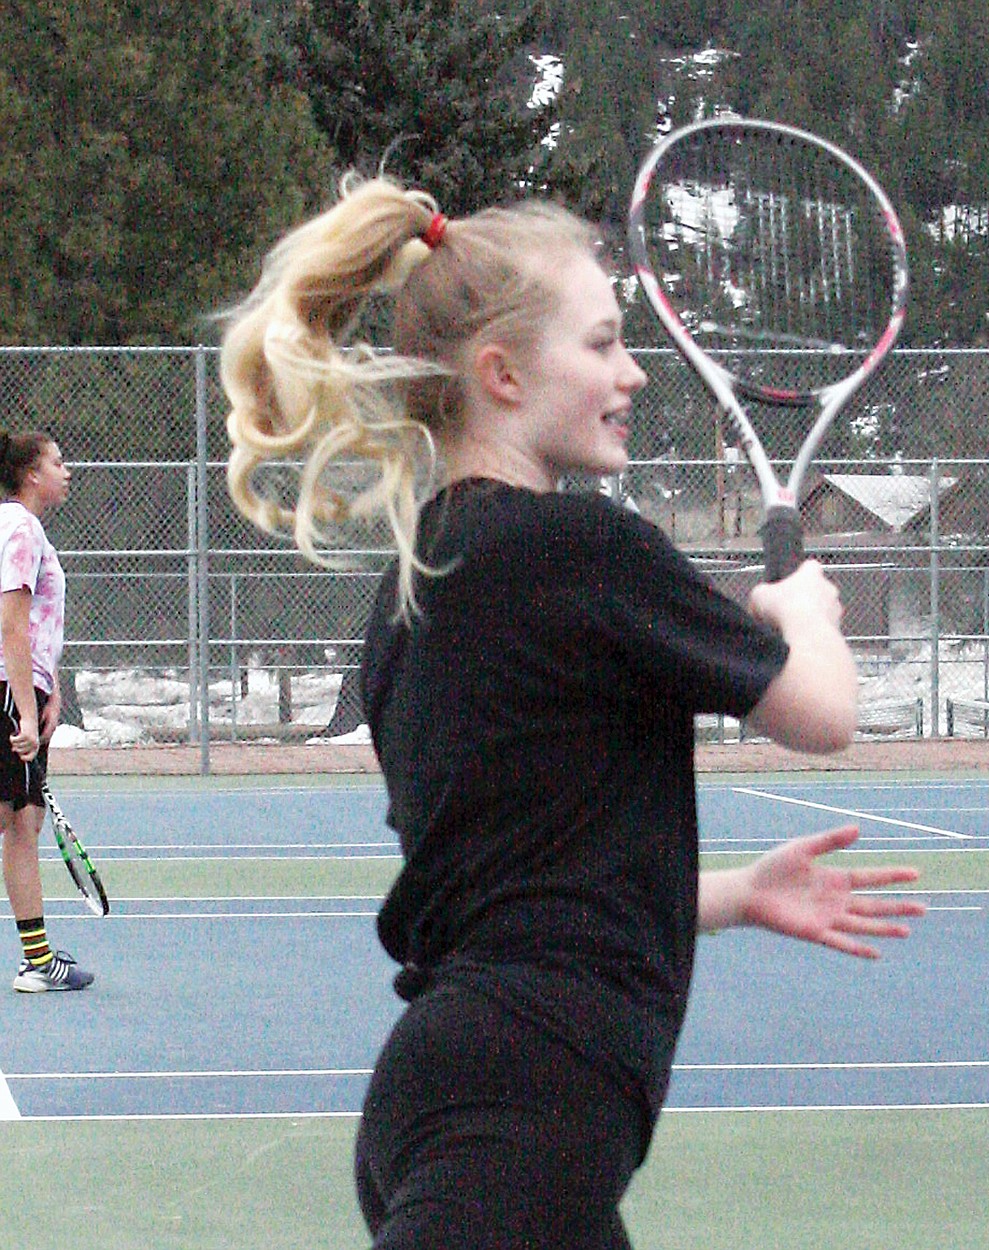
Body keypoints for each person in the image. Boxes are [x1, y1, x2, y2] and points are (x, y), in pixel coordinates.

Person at [220, 177, 925, 1249]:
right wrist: (804, 613)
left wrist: (730, 893)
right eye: (601, 344)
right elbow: (823, 712)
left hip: (461, 1087)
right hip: (525, 1103)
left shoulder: (417, 592)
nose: (633, 371)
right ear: (502, 374)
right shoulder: (583, 548)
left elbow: (523, 879)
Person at [0, 430, 91, 993]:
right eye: (58, 462)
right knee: (17, 824)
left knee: (23, 822)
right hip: (8, 693)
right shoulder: (18, 527)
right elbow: (10, 624)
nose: (67, 470)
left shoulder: (25, 529)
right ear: (32, 473)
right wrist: (26, 713)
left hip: (21, 687)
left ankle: (38, 956)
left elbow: (35, 631)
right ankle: (38, 963)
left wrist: (49, 688)